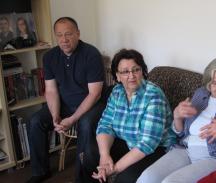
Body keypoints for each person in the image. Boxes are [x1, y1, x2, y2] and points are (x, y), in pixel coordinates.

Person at [137, 57, 216, 183]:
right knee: (148, 176)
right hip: (184, 149)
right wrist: (177, 116)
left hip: (215, 157)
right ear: (208, 81)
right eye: (215, 83)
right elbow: (180, 133)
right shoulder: (201, 94)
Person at [27, 17, 108, 183]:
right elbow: (50, 90)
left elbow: (95, 94)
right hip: (64, 104)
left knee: (85, 125)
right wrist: (55, 115)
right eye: (59, 35)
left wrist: (72, 119)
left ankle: (81, 177)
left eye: (68, 34)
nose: (64, 40)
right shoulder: (49, 57)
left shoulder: (91, 54)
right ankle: (40, 171)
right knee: (35, 121)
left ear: (78, 33)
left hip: (92, 104)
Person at [90, 49, 177, 183]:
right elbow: (106, 124)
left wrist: (115, 168)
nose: (131, 75)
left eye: (135, 70)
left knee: (126, 178)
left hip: (156, 149)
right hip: (128, 140)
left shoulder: (153, 95)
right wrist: (104, 156)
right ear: (117, 76)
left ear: (142, 71)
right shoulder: (117, 92)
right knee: (91, 153)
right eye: (125, 72)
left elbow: (147, 143)